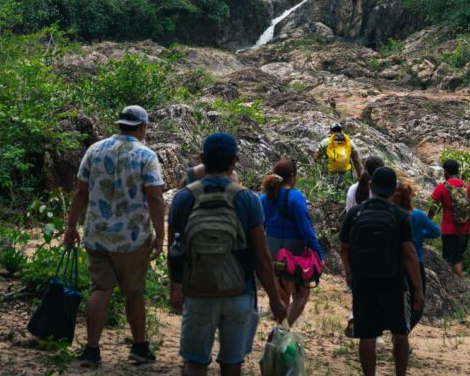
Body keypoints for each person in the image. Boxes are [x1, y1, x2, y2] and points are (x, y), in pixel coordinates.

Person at [168, 133, 288, 376]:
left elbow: (174, 250)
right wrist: (275, 298)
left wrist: (176, 287)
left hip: (198, 290)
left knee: (194, 362)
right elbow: (261, 256)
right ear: (235, 160)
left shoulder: (184, 198)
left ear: (202, 159)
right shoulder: (247, 199)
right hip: (239, 292)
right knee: (232, 363)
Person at [64, 105, 165, 368]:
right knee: (134, 293)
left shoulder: (95, 150)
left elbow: (81, 192)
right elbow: (155, 197)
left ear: (120, 124)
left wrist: (71, 226)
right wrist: (160, 234)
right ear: (142, 127)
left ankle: (91, 351)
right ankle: (140, 348)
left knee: (100, 289)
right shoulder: (146, 156)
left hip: (97, 234)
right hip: (132, 238)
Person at [340, 167, 423, 376]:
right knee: (400, 332)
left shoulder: (355, 212)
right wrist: (418, 289)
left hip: (363, 282)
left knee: (366, 334)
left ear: (371, 186)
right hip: (393, 282)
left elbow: (343, 249)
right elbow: (410, 254)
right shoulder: (400, 215)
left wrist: (349, 272)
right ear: (393, 189)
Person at [259, 159, 324, 326]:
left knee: (282, 296)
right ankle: (282, 331)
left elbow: (261, 225)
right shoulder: (296, 197)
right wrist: (319, 253)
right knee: (301, 295)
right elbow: (306, 229)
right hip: (293, 250)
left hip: (272, 249)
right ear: (292, 176)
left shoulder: (264, 197)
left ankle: (280, 335)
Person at [390, 180, 440, 329]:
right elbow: (436, 232)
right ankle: (404, 330)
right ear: (410, 196)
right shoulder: (417, 215)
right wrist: (421, 234)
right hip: (415, 262)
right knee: (416, 301)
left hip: (391, 262)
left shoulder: (390, 213)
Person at [427, 158, 470, 278]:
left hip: (449, 231)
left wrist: (427, 222)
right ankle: (458, 281)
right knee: (458, 256)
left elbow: (433, 208)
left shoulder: (442, 188)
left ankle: (459, 284)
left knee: (451, 259)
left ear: (445, 172)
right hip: (466, 230)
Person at [314, 122, 363, 187]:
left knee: (329, 193)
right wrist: (359, 176)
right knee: (344, 194)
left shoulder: (326, 142)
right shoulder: (349, 142)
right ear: (341, 131)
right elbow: (356, 161)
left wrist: (320, 168)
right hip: (346, 176)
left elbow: (316, 157)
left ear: (330, 131)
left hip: (329, 175)